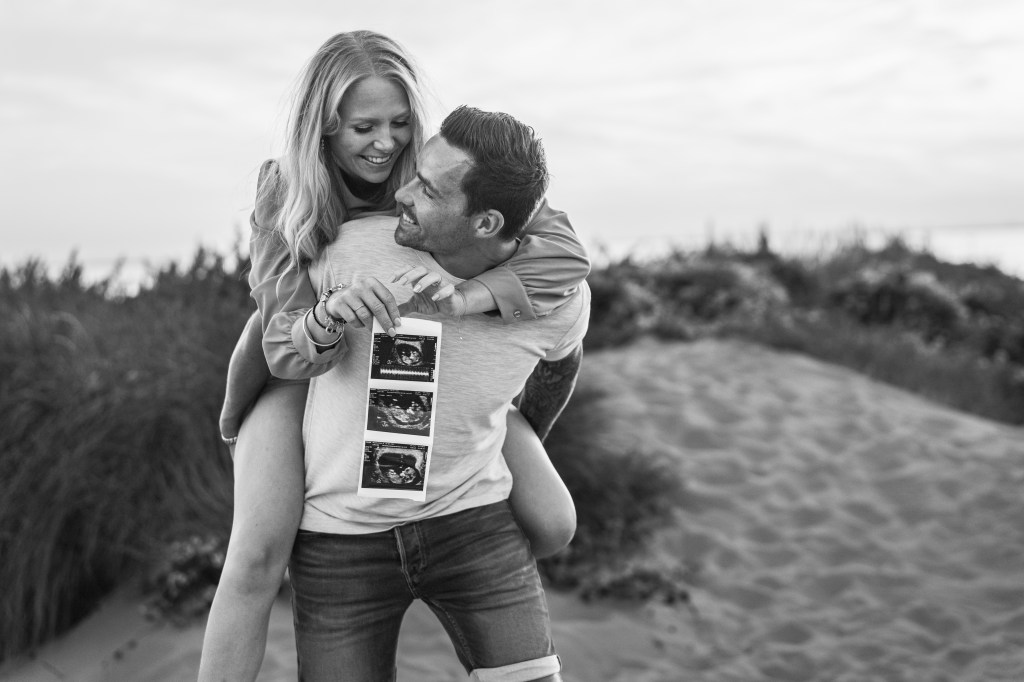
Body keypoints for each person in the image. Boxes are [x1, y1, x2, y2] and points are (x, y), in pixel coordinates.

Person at [199, 32, 589, 682]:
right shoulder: (286, 188)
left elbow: (563, 249)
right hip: (293, 359)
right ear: (324, 126)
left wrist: (474, 298)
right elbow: (284, 338)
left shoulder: (435, 167)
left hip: (401, 358)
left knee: (554, 522)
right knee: (255, 557)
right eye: (364, 127)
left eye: (400, 122)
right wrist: (327, 317)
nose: (386, 142)